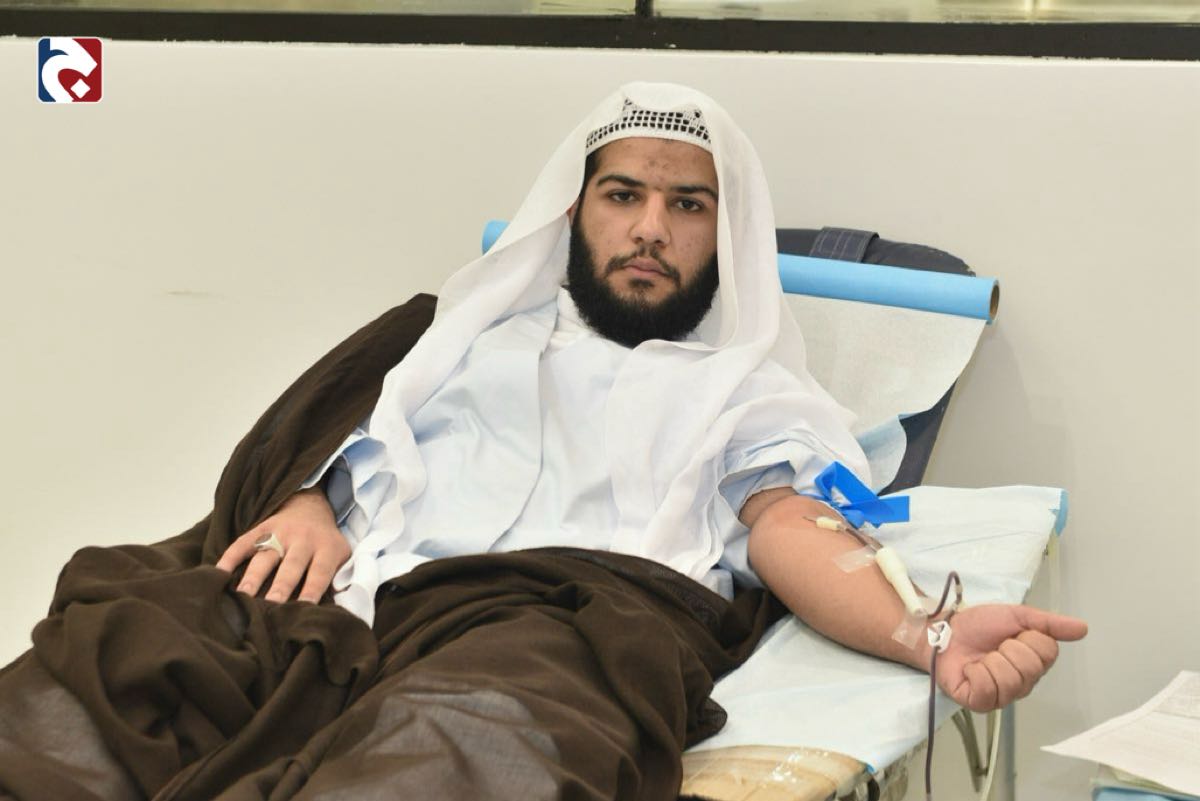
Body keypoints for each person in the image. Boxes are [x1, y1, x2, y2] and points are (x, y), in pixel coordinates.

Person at [0, 83, 1085, 801]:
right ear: (573, 211)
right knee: (116, 655)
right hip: (336, 605)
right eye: (623, 195)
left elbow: (794, 527)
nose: (650, 228)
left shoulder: (748, 391)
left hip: (547, 629)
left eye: (687, 205)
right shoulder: (451, 337)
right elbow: (320, 435)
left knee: (463, 749)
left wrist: (926, 634)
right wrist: (308, 501)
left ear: (724, 235)